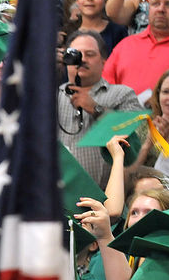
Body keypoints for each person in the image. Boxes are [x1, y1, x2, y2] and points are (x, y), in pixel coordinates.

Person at [56, 30, 141, 184]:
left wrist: (96, 109)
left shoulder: (123, 94)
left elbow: (134, 140)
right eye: (77, 54)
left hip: (104, 197)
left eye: (90, 54)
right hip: (60, 196)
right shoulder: (52, 96)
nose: (82, 60)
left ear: (103, 61)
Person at [105, 0, 169, 93]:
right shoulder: (125, 45)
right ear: (149, 9)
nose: (161, 9)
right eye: (155, 4)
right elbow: (104, 92)